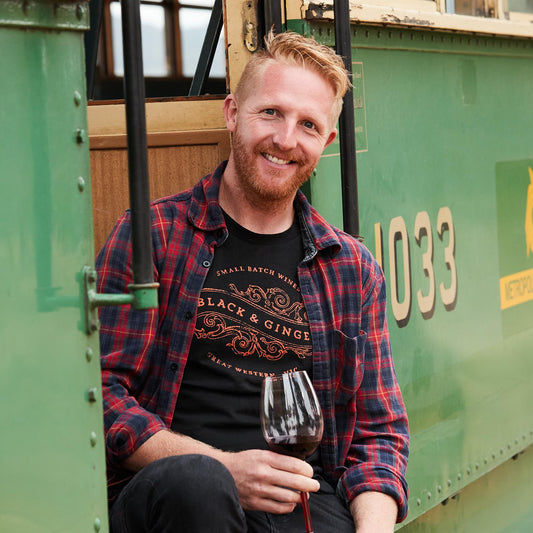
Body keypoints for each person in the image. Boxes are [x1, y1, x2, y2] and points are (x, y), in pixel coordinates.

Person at [97, 30, 409, 533]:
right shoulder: (152, 237)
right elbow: (102, 395)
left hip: (299, 497)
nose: (285, 139)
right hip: (177, 500)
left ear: (326, 143)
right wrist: (224, 468)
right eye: (271, 113)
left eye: (308, 125)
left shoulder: (352, 268)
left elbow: (378, 438)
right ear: (232, 113)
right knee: (199, 484)